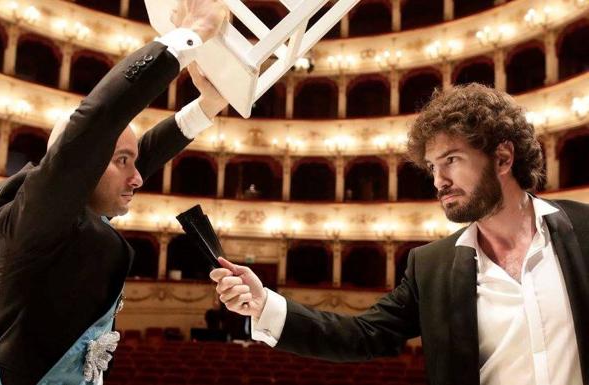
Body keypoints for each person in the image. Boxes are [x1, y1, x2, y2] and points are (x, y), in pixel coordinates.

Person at [210, 83, 589, 385]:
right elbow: (361, 335)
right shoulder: (431, 266)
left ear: (503, 158)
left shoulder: (584, 229)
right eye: (432, 166)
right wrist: (263, 305)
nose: (439, 181)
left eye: (451, 160)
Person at [0, 1, 228, 384]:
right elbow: (99, 121)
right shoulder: (35, 220)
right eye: (122, 161)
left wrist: (207, 106)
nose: (138, 178)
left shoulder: (69, 215)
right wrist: (190, 35)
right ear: (81, 164)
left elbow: (141, 154)